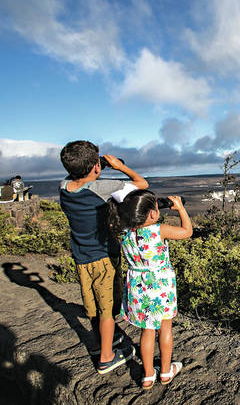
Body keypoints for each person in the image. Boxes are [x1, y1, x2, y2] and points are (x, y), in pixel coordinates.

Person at [59, 140, 148, 374]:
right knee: (107, 309)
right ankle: (107, 357)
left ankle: (103, 340)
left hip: (81, 257)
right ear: (95, 167)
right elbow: (142, 184)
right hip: (103, 257)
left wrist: (96, 170)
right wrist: (119, 167)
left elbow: (80, 180)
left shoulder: (63, 186)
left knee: (93, 306)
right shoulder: (103, 188)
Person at [109, 189, 192, 389]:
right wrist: (180, 209)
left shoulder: (126, 234)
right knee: (165, 327)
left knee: (147, 331)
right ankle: (165, 371)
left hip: (138, 286)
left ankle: (148, 375)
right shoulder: (158, 230)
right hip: (160, 286)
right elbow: (187, 232)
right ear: (153, 214)